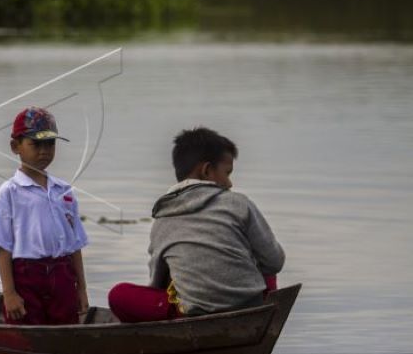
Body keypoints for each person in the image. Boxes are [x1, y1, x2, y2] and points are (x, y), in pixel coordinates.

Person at [108, 127, 284, 323]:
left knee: (118, 295)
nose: (230, 183)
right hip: (250, 306)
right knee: (265, 264)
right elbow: (275, 261)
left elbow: (157, 282)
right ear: (207, 170)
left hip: (194, 313)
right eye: (227, 173)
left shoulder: (163, 218)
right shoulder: (239, 203)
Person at [0, 106, 89, 325]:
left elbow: (74, 244)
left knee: (67, 331)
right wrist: (9, 293)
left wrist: (82, 289)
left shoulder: (64, 190)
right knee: (26, 333)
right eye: (36, 144)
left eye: (50, 144)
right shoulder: (9, 192)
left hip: (62, 275)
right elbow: (3, 247)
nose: (44, 151)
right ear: (16, 146)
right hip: (26, 276)